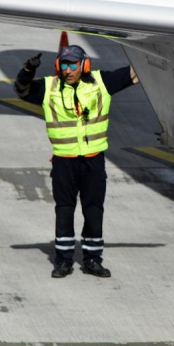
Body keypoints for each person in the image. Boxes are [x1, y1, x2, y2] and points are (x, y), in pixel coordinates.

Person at [15, 45, 139, 278]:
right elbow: (21, 90)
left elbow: (137, 73)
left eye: (73, 65)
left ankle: (92, 260)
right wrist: (27, 70)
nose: (68, 70)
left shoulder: (102, 82)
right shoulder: (49, 87)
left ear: (84, 65)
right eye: (64, 65)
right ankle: (63, 261)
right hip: (64, 161)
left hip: (93, 161)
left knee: (93, 210)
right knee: (65, 210)